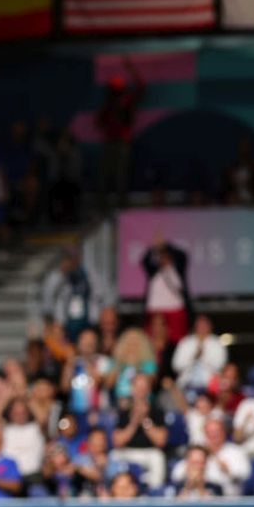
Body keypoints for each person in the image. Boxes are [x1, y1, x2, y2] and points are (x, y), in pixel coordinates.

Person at [96, 55, 143, 205]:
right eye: (113, 90)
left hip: (122, 141)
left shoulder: (127, 101)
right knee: (104, 175)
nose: (115, 93)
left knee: (121, 175)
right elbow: (98, 123)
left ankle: (122, 206)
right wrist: (108, 123)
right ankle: (103, 205)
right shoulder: (107, 105)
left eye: (118, 90)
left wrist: (130, 69)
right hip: (109, 142)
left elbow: (141, 86)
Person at [112, 374, 167, 490]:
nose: (140, 390)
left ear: (149, 389)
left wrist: (145, 420)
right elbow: (117, 442)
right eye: (137, 386)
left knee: (158, 457)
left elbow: (161, 441)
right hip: (127, 452)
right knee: (113, 456)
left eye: (144, 387)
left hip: (149, 452)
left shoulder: (157, 411)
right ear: (132, 389)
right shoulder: (123, 412)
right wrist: (133, 422)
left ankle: (155, 492)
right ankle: (117, 490)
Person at [171, 420, 248, 496]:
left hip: (230, 498)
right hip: (200, 494)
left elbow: (244, 476)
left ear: (224, 432)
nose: (213, 435)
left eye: (217, 431)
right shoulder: (199, 451)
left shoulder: (236, 451)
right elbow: (175, 476)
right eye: (210, 432)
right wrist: (189, 469)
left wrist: (228, 470)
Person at [142, 238, 191, 346]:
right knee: (152, 340)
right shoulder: (154, 271)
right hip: (155, 309)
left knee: (177, 341)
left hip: (175, 309)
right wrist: (156, 248)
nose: (164, 259)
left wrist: (166, 246)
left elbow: (183, 255)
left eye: (167, 256)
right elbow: (144, 260)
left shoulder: (178, 269)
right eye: (162, 257)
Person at [172, 315, 227, 392]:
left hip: (209, 386)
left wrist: (204, 355)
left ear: (210, 327)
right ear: (195, 327)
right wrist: (193, 357)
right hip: (186, 384)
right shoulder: (186, 342)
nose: (202, 328)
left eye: (204, 325)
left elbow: (220, 366)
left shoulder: (217, 343)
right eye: (200, 325)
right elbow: (176, 366)